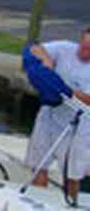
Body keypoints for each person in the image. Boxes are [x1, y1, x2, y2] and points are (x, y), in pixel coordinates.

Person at [26, 28, 90, 201]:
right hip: (48, 117)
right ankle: (38, 201)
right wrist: (46, 61)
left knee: (72, 175)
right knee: (39, 165)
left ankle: (71, 203)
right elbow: (35, 49)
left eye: (89, 50)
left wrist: (63, 89)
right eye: (83, 47)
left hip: (78, 126)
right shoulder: (64, 48)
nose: (84, 52)